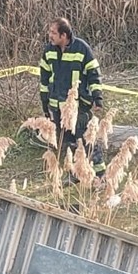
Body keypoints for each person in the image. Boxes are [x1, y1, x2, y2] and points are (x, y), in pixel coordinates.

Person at [39, 17, 106, 178]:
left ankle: (100, 174)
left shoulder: (81, 48)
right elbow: (44, 78)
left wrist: (97, 98)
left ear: (64, 35)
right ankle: (77, 173)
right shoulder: (49, 51)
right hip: (57, 107)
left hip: (79, 106)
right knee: (68, 143)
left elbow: (94, 74)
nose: (50, 36)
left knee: (86, 139)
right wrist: (44, 102)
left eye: (53, 33)